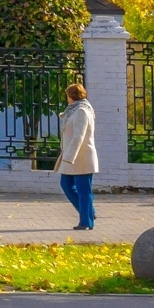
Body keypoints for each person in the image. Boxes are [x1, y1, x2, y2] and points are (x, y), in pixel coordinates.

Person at [57, 83, 98, 230]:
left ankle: (86, 222)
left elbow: (79, 136)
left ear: (72, 95)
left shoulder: (82, 110)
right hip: (73, 156)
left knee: (83, 190)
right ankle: (89, 212)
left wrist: (69, 156)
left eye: (67, 95)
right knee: (66, 184)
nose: (66, 98)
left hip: (80, 157)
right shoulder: (75, 109)